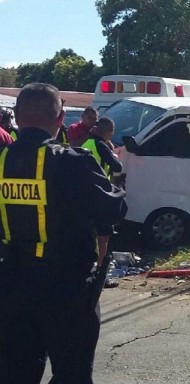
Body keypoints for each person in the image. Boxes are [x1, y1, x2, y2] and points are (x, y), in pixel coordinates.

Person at [0, 83, 127, 384]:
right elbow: (113, 210)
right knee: (72, 374)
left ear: (16, 118)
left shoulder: (2, 161)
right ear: (60, 121)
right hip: (66, 289)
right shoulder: (73, 162)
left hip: (10, 286)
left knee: (14, 373)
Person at [82, 116, 123, 265]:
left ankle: (89, 261)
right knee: (104, 235)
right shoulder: (101, 145)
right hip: (101, 194)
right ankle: (100, 266)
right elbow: (117, 167)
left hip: (86, 192)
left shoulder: (87, 142)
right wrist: (114, 154)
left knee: (90, 232)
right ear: (109, 132)